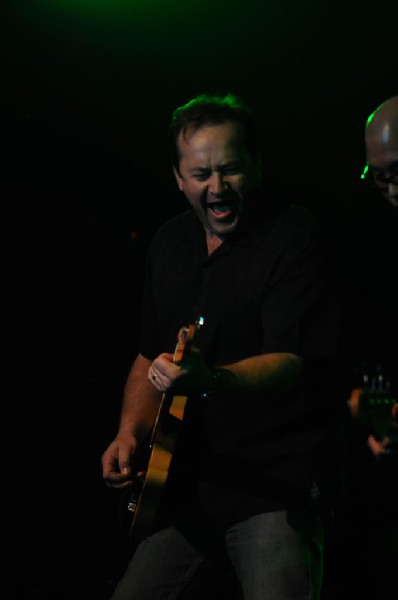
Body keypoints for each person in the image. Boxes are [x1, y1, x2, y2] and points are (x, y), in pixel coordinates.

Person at [101, 92, 345, 600]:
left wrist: (210, 380)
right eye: (201, 174)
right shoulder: (169, 243)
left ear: (257, 166)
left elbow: (290, 361)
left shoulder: (293, 235)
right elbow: (150, 355)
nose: (218, 187)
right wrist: (129, 432)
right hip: (185, 489)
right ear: (177, 178)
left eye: (231, 169)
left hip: (273, 486)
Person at [331, 95, 398, 600]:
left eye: (397, 172)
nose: (389, 188)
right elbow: (364, 348)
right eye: (377, 176)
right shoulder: (368, 240)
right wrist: (370, 412)